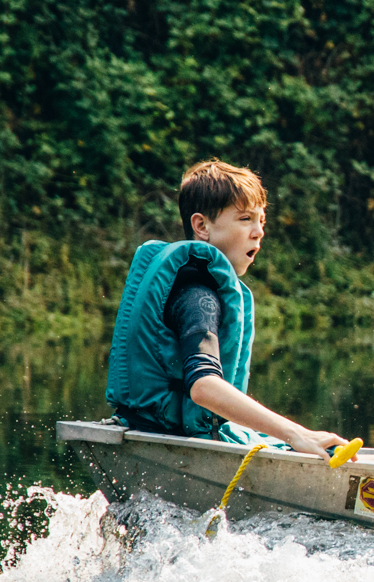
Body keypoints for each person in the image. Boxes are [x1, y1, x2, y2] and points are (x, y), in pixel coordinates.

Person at [105, 159, 353, 458]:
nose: (259, 231)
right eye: (246, 218)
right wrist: (297, 433)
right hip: (178, 439)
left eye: (262, 221)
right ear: (201, 226)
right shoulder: (198, 297)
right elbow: (203, 387)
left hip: (159, 428)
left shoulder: (195, 286)